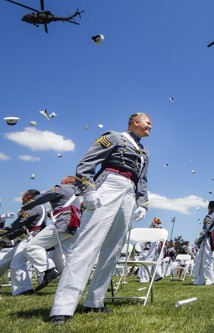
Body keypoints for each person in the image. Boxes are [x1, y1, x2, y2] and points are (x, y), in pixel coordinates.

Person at [49, 113, 152, 325]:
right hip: (108, 185)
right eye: (147, 122)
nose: (151, 125)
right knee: (87, 244)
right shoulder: (114, 137)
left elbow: (142, 179)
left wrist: (142, 202)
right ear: (135, 122)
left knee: (113, 249)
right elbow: (87, 162)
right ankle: (63, 307)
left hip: (129, 192)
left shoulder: (144, 152)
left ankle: (94, 301)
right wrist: (88, 189)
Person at [21, 176, 81, 292]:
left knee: (31, 247)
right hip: (73, 227)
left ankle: (49, 270)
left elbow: (44, 196)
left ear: (64, 181)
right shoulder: (75, 193)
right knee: (62, 260)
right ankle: (71, 286)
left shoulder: (61, 187)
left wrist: (27, 206)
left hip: (62, 224)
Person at [0, 190, 46, 296]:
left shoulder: (32, 207)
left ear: (29, 196)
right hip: (31, 237)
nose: (21, 198)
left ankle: (24, 290)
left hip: (31, 239)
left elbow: (16, 226)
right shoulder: (39, 206)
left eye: (23, 196)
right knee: (3, 261)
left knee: (16, 264)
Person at [193, 200, 214, 285]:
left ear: (208, 207)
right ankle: (203, 279)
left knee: (203, 259)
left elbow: (205, 230)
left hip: (206, 239)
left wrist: (198, 241)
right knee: (204, 259)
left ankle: (204, 279)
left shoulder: (209, 216)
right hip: (210, 238)